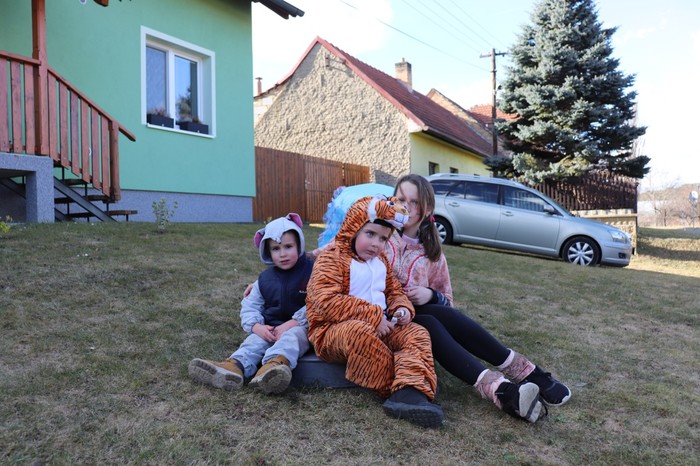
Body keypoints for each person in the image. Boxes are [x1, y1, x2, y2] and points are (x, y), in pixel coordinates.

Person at [315, 176, 571, 423]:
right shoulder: (375, 228)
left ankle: (524, 371)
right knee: (429, 325)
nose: (406, 206)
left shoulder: (431, 251)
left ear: (427, 209)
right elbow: (331, 256)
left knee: (440, 316)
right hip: (374, 319)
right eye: (401, 199)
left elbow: (446, 299)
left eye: (414, 202)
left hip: (406, 314)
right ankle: (499, 389)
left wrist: (430, 294)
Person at [306, 194, 444, 428]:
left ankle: (409, 393)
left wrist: (401, 308)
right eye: (370, 234)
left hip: (383, 325)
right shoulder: (332, 259)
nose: (376, 244)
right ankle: (403, 385)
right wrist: (372, 316)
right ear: (353, 229)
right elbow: (326, 301)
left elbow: (394, 291)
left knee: (417, 333)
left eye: (383, 238)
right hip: (333, 331)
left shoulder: (381, 262)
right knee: (359, 333)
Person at [188, 213, 312, 395]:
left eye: (288, 246)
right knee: (253, 342)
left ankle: (273, 368)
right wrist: (256, 327)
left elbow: (318, 302)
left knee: (292, 339)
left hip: (301, 327)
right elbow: (250, 305)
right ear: (268, 252)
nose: (283, 254)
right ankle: (234, 367)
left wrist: (293, 323)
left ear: (299, 245)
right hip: (270, 327)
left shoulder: (312, 272)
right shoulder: (265, 280)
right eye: (276, 249)